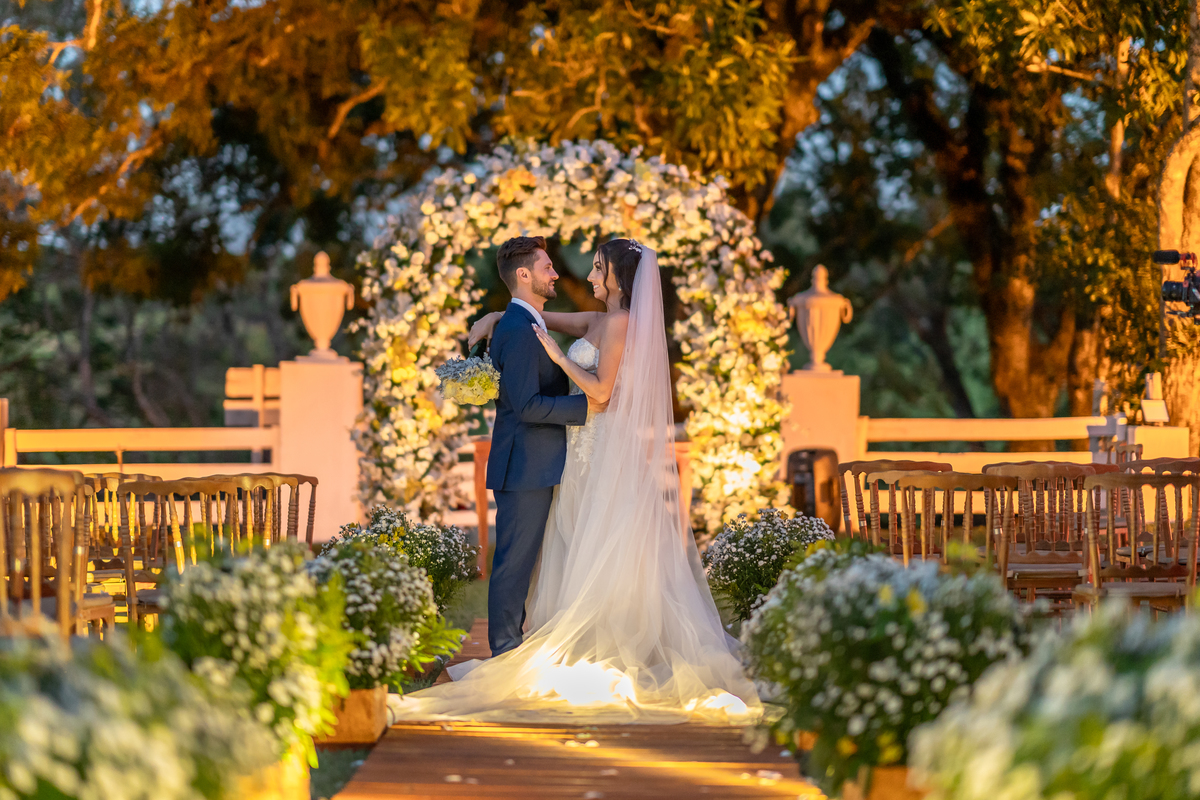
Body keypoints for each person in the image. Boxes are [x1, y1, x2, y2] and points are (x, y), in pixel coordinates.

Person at [390, 238, 760, 723]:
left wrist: (563, 362)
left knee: (601, 542)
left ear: (618, 278)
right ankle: (540, 642)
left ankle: (603, 638)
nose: (585, 276)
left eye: (598, 268)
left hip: (598, 445)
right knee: (569, 543)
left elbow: (602, 393)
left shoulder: (623, 324)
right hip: (573, 452)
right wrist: (497, 318)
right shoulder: (595, 320)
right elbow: (540, 322)